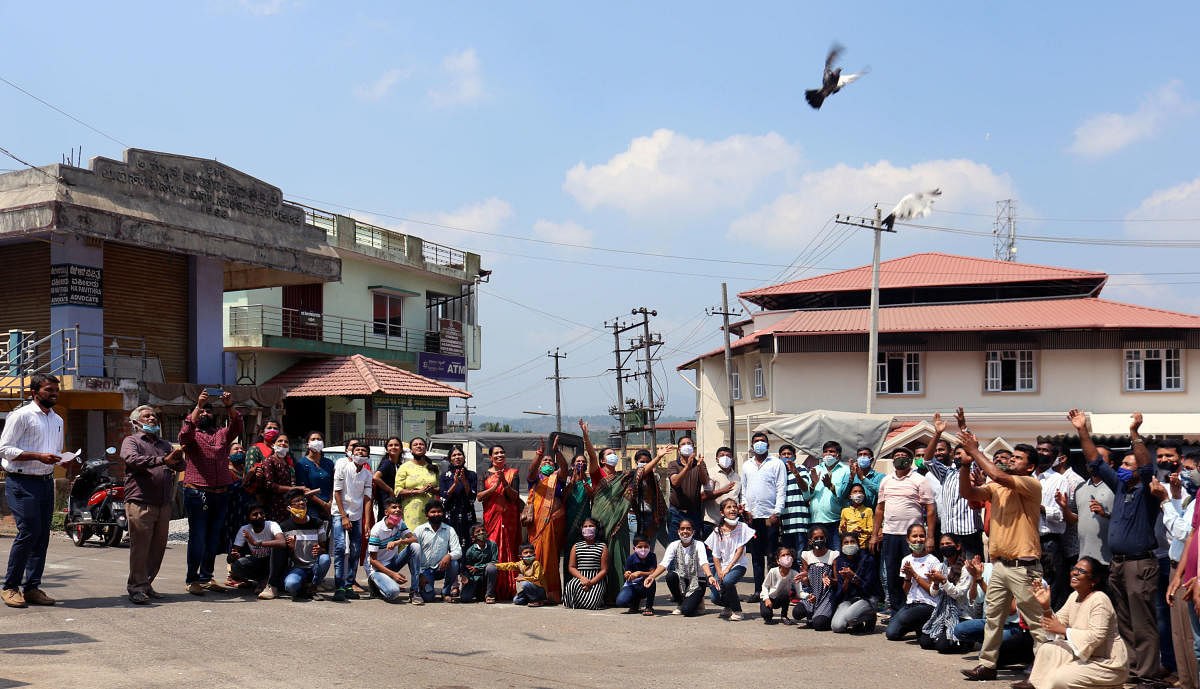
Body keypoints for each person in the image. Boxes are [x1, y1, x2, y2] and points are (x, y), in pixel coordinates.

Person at [1071, 409, 1165, 684]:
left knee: (1143, 622)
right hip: (1119, 563)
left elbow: (1147, 466)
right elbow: (1095, 461)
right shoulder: (1121, 487)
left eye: (1127, 465)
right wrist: (1082, 431)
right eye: (1121, 464)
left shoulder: (1146, 491)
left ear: (1139, 471)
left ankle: (1148, 674)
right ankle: (1133, 669)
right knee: (1123, 620)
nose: (1121, 468)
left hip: (1139, 563)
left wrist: (1135, 434)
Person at [957, 428, 1047, 682]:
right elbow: (969, 494)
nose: (1011, 460)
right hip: (1000, 565)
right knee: (992, 618)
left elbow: (995, 472)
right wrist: (965, 466)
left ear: (1030, 468)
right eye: (1012, 457)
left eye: (1018, 458)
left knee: (1037, 624)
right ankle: (987, 665)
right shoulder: (997, 486)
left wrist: (975, 451)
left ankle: (1042, 672)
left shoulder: (1031, 484)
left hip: (1024, 566)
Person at [1014, 557, 1130, 689]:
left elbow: (1096, 637)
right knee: (1047, 649)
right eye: (1075, 569)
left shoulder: (1100, 600)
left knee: (1059, 679)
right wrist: (1045, 606)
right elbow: (1055, 625)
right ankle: (1035, 683)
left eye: (1081, 571)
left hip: (1108, 664)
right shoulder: (1074, 596)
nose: (1075, 572)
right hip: (1087, 657)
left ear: (1093, 581)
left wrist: (1064, 630)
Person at [2, 376, 67, 607]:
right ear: (34, 392)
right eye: (49, 390)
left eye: (56, 390)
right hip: (21, 481)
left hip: (45, 482)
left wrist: (61, 460)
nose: (54, 394)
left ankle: (31, 588)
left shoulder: (57, 419)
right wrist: (38, 456)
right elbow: (5, 449)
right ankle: (10, 587)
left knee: (41, 535)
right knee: (28, 532)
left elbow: (52, 451)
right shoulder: (21, 415)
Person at [178, 389, 243, 595]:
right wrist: (198, 405)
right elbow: (184, 434)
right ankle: (192, 579)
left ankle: (207, 577)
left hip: (220, 493)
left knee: (214, 537)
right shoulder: (191, 435)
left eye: (208, 411)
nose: (206, 413)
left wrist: (229, 405)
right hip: (197, 492)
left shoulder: (222, 434)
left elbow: (237, 425)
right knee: (198, 536)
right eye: (202, 411)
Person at [121, 404, 184, 604]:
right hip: (140, 501)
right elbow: (132, 460)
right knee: (140, 547)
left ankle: (146, 584)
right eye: (147, 416)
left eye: (154, 416)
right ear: (135, 422)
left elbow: (179, 465)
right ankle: (136, 587)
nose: (152, 418)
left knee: (158, 547)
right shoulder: (131, 441)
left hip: (163, 503)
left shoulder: (164, 444)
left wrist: (178, 458)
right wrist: (164, 460)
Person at [591, 444, 667, 606]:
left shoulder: (624, 476)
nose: (614, 455)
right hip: (602, 525)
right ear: (603, 460)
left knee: (619, 557)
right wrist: (585, 437)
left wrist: (659, 457)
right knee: (601, 559)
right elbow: (591, 456)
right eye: (610, 453)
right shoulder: (598, 474)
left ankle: (621, 591)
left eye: (614, 453)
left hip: (620, 524)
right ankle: (600, 594)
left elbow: (643, 471)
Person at [871, 446, 935, 615]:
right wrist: (874, 534)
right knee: (891, 574)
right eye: (897, 455)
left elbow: (930, 510)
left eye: (904, 456)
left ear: (911, 460)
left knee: (911, 571)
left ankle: (912, 608)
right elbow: (879, 509)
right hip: (890, 534)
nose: (900, 458)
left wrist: (930, 537)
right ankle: (896, 610)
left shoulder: (919, 480)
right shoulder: (886, 480)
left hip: (912, 537)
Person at [1160, 452, 1199, 689]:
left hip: (1192, 573)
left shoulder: (1196, 499)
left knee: (1193, 638)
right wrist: (1173, 498)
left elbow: (1183, 533)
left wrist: (1165, 502)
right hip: (1179, 567)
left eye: (1189, 469)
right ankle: (1186, 680)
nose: (1183, 474)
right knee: (1180, 635)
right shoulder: (1191, 498)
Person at [925, 410, 985, 558]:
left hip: (969, 533)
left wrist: (963, 427)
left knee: (973, 572)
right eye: (957, 454)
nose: (960, 456)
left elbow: (978, 452)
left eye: (964, 453)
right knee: (951, 574)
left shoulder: (974, 470)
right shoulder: (946, 473)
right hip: (949, 534)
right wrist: (937, 434)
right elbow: (927, 460)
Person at [741, 431, 786, 601]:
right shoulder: (747, 465)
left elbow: (781, 489)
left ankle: (773, 590)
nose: (759, 443)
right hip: (753, 516)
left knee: (772, 555)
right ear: (752, 446)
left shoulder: (776, 463)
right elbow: (744, 490)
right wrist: (746, 510)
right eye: (756, 441)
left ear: (768, 445)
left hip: (770, 517)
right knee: (757, 555)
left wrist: (777, 512)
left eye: (763, 441)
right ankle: (758, 591)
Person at [643, 520, 716, 617]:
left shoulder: (699, 544)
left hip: (697, 582)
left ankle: (698, 600)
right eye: (682, 529)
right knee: (670, 576)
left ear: (693, 532)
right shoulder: (673, 545)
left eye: (688, 529)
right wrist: (652, 576)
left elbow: (704, 562)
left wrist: (710, 575)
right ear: (678, 531)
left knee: (687, 611)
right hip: (682, 580)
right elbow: (664, 564)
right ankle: (680, 602)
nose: (685, 531)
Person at [330, 443, 374, 602]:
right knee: (340, 547)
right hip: (339, 513)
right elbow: (337, 492)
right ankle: (339, 586)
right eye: (357, 450)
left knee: (356, 550)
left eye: (364, 451)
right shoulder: (342, 467)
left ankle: (349, 584)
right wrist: (343, 516)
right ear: (351, 453)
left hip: (356, 515)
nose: (360, 453)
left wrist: (367, 522)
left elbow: (368, 499)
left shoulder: (368, 474)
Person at [526, 436, 568, 604]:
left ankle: (552, 594)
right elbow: (530, 470)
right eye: (545, 461)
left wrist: (557, 451)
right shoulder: (535, 480)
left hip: (555, 523)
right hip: (537, 525)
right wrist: (539, 454)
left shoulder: (558, 479)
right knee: (536, 559)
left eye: (551, 461)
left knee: (552, 559)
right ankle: (535, 594)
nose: (548, 463)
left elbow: (565, 467)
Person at [479, 444, 522, 600]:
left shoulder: (512, 473)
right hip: (491, 519)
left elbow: (514, 497)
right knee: (493, 551)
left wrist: (504, 482)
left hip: (508, 519)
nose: (500, 455)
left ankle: (509, 589)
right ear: (491, 457)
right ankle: (491, 589)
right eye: (496, 453)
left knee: (508, 551)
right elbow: (479, 496)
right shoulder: (484, 474)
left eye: (502, 452)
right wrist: (495, 486)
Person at [919, 533, 974, 653]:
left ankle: (966, 641)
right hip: (943, 615)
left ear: (958, 546)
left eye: (948, 544)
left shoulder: (965, 568)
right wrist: (936, 582)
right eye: (942, 544)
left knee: (942, 647)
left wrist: (943, 580)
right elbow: (934, 594)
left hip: (960, 616)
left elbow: (957, 594)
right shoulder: (941, 566)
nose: (945, 547)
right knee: (925, 642)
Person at [885, 524, 940, 641]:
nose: (918, 539)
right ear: (908, 539)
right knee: (891, 634)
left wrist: (915, 575)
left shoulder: (933, 561)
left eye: (921, 536)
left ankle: (922, 623)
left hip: (928, 604)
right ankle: (918, 625)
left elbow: (933, 592)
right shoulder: (906, 560)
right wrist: (908, 578)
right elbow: (906, 590)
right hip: (911, 603)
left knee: (905, 617)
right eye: (914, 536)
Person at [277, 488, 331, 600]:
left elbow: (324, 549)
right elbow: (285, 557)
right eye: (297, 501)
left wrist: (319, 550)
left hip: (314, 565)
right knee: (290, 585)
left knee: (325, 559)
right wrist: (291, 548)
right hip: (297, 568)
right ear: (289, 508)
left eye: (303, 500)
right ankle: (304, 587)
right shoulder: (285, 527)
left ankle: (314, 586)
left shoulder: (317, 523)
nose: (301, 503)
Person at [705, 498, 753, 620]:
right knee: (714, 597)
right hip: (722, 567)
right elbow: (715, 555)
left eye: (734, 507)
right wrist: (719, 571)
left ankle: (737, 611)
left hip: (738, 565)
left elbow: (740, 550)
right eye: (729, 507)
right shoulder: (717, 531)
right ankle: (728, 606)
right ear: (722, 512)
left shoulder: (742, 527)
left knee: (727, 581)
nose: (732, 509)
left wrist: (727, 569)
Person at [364, 498, 418, 603]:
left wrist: (398, 542)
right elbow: (373, 561)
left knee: (415, 547)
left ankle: (415, 590)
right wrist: (393, 574)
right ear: (386, 512)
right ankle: (374, 584)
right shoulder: (377, 530)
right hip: (377, 569)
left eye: (399, 507)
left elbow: (414, 539)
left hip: (392, 564)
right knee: (393, 593)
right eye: (394, 507)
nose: (398, 510)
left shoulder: (400, 522)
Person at [227, 504, 282, 599]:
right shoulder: (244, 529)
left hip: (273, 561)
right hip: (258, 562)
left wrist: (257, 543)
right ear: (249, 518)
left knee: (277, 549)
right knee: (236, 566)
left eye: (261, 513)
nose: (259, 516)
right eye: (255, 514)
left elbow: (282, 542)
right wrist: (232, 556)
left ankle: (269, 582)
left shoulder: (272, 525)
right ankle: (262, 580)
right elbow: (231, 557)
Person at [831, 532, 883, 633]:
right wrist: (846, 580)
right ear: (841, 546)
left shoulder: (867, 559)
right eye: (846, 543)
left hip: (867, 598)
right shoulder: (840, 561)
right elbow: (842, 592)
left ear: (858, 544)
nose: (849, 545)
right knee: (837, 627)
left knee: (850, 617)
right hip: (850, 599)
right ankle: (857, 623)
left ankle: (870, 616)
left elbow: (870, 587)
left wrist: (854, 577)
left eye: (852, 542)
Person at [412, 501, 462, 604]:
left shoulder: (449, 530)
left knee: (454, 563)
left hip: (441, 567)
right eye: (433, 512)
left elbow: (458, 551)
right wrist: (420, 574)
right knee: (428, 598)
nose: (436, 514)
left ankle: (446, 592)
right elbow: (413, 555)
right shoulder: (419, 530)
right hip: (425, 570)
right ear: (427, 516)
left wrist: (449, 555)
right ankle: (427, 589)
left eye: (439, 511)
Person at [1074, 447, 1115, 567]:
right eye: (1089, 458)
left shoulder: (1119, 487)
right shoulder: (1080, 488)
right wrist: (1064, 508)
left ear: (1111, 464)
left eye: (1099, 459)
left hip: (1110, 560)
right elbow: (1075, 519)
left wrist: (1105, 514)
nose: (1093, 462)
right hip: (1084, 558)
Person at [249, 430, 298, 524]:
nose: (283, 443)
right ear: (273, 445)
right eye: (280, 441)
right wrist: (293, 488)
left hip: (286, 505)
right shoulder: (270, 461)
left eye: (286, 442)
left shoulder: (286, 463)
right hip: (273, 505)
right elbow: (269, 485)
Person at [797, 525, 839, 630]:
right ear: (810, 540)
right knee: (797, 613)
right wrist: (805, 580)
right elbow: (807, 580)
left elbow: (837, 581)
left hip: (827, 596)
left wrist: (829, 579)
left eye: (821, 538)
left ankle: (828, 614)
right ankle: (813, 614)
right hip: (813, 595)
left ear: (826, 539)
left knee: (819, 624)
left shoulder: (833, 555)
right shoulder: (806, 555)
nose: (819, 540)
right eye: (816, 538)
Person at [667, 435, 709, 539]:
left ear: (693, 448)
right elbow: (675, 482)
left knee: (694, 544)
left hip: (694, 512)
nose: (687, 446)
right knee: (675, 544)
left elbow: (705, 482)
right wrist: (687, 467)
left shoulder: (700, 463)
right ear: (678, 449)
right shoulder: (673, 464)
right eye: (683, 444)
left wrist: (699, 467)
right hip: (676, 512)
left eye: (689, 444)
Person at [809, 440, 850, 541]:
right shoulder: (815, 469)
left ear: (838, 455)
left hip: (836, 521)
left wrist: (830, 486)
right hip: (817, 520)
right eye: (825, 451)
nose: (828, 454)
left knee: (836, 553)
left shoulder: (845, 470)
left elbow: (843, 496)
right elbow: (807, 496)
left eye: (831, 451)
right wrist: (813, 485)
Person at [564, 517, 609, 610]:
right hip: (580, 577)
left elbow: (604, 570)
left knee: (592, 604)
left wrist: (591, 583)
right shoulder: (576, 546)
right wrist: (582, 578)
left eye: (591, 526)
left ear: (596, 529)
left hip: (596, 578)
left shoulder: (602, 546)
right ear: (581, 529)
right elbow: (571, 567)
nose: (588, 528)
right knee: (570, 587)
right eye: (585, 526)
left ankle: (599, 600)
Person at [395, 436, 439, 529]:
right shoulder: (404, 467)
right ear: (411, 449)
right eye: (415, 445)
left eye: (421, 444)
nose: (419, 446)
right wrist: (416, 492)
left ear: (426, 448)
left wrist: (432, 490)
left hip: (431, 511)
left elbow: (441, 489)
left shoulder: (434, 467)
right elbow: (397, 491)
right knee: (412, 540)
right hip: (411, 512)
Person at [439, 444, 477, 548]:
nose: (457, 457)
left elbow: (472, 497)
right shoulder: (444, 476)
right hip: (450, 516)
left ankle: (466, 564)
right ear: (450, 459)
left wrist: (465, 482)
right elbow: (443, 497)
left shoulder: (471, 475)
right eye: (454, 455)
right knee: (451, 544)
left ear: (464, 457)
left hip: (467, 515)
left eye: (459, 454)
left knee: (468, 543)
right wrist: (454, 484)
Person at [702, 445, 741, 542]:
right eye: (722, 455)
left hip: (732, 523)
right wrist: (722, 491)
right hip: (713, 522)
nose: (725, 458)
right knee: (711, 555)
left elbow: (737, 497)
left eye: (728, 456)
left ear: (732, 459)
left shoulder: (737, 476)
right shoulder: (710, 474)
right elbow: (703, 496)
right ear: (716, 459)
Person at [779, 443, 812, 554]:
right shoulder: (778, 472)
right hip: (786, 523)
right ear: (780, 457)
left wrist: (796, 474)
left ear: (794, 456)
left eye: (789, 454)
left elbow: (805, 489)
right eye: (784, 454)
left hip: (801, 521)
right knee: (789, 557)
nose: (787, 456)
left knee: (801, 556)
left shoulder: (801, 469)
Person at [294, 431, 334, 519]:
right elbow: (304, 490)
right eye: (313, 439)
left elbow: (333, 485)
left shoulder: (329, 463)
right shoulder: (302, 464)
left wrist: (330, 503)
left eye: (319, 439)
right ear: (307, 445)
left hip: (331, 507)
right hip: (311, 507)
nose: (316, 441)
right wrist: (323, 505)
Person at [615, 534, 657, 615]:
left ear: (649, 547)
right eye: (640, 547)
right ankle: (635, 604)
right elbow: (627, 574)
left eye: (646, 547)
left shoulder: (652, 556)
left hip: (645, 584)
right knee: (621, 602)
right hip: (632, 585)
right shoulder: (630, 559)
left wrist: (639, 573)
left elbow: (653, 572)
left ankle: (649, 606)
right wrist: (627, 574)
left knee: (651, 581)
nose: (643, 549)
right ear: (634, 548)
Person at [460, 524, 499, 604]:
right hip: (475, 577)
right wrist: (465, 577)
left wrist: (479, 567)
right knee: (465, 598)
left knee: (492, 568)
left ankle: (489, 594)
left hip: (486, 575)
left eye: (483, 530)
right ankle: (476, 592)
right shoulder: (470, 551)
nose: (481, 533)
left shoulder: (492, 545)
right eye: (478, 531)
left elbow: (495, 561)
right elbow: (468, 568)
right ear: (473, 537)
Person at [760, 546, 800, 625]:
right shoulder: (773, 571)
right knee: (766, 614)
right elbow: (765, 586)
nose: (786, 557)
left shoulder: (794, 573)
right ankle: (768, 614)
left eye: (788, 555)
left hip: (781, 598)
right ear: (778, 561)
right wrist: (766, 599)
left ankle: (784, 616)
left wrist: (808, 596)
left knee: (785, 594)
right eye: (783, 555)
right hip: (769, 598)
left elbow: (800, 591)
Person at [373, 436, 404, 521]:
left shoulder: (399, 465)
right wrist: (390, 490)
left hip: (395, 503)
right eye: (390, 445)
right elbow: (376, 477)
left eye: (396, 445)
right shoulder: (387, 463)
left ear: (401, 449)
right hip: (386, 503)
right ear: (387, 449)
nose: (393, 447)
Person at [839, 483, 874, 550]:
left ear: (864, 495)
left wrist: (863, 531)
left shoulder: (868, 510)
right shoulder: (845, 511)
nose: (858, 494)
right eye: (855, 491)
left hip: (863, 546)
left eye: (860, 492)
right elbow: (840, 530)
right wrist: (843, 530)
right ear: (850, 496)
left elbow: (872, 530)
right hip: (849, 546)